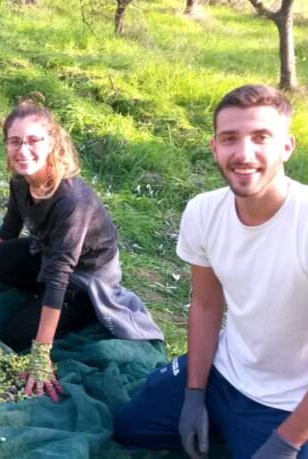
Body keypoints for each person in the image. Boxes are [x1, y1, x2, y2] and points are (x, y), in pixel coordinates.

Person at [113, 84, 308, 458]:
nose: (244, 154)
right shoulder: (203, 212)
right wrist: (194, 393)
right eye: (230, 138)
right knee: (130, 428)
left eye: (260, 137)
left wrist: (287, 441)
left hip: (288, 402)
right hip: (226, 372)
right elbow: (205, 305)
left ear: (286, 146)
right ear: (214, 147)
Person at [0, 102, 163, 401]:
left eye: (33, 140)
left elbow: (60, 276)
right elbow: (10, 227)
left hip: (85, 279)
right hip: (48, 255)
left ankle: (78, 313)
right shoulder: (20, 181)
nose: (23, 150)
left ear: (51, 142)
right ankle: (42, 305)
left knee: (16, 337)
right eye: (15, 141)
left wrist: (41, 355)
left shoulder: (71, 201)